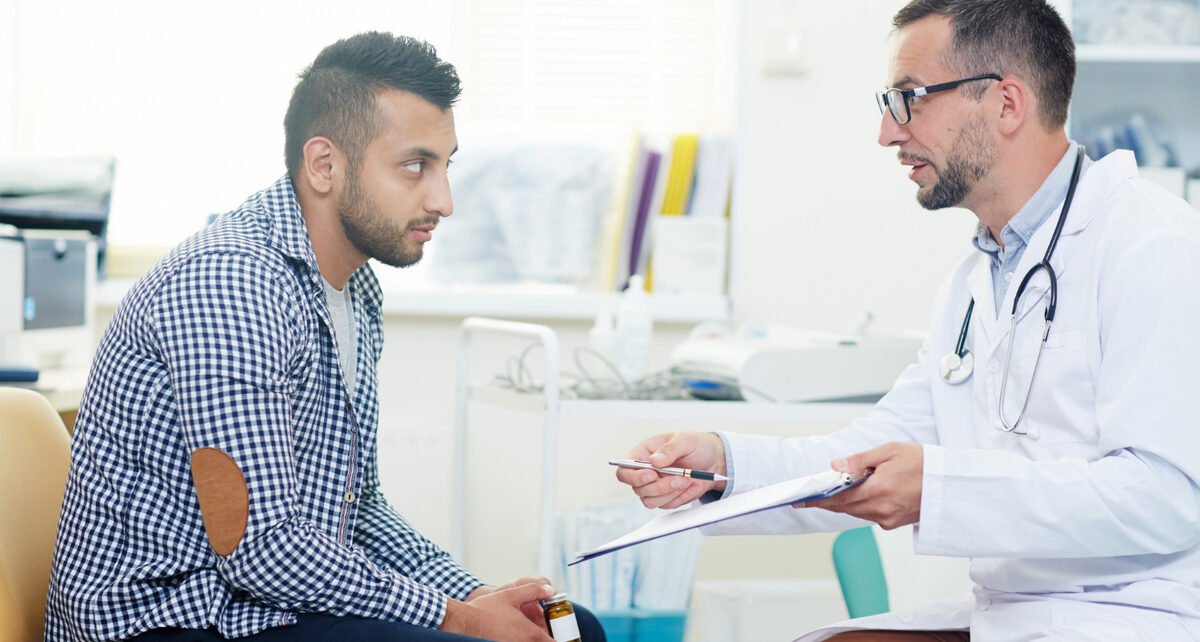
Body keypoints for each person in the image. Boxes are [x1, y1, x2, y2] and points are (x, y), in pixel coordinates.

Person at [617, 1, 1200, 640]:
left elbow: (1168, 496)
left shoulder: (1153, 245)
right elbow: (868, 456)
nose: (887, 133)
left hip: (1140, 615)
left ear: (1006, 104)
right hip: (1012, 614)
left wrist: (941, 487)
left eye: (909, 99)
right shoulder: (978, 279)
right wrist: (721, 465)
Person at [44, 32, 604, 642]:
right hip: (168, 623)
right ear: (323, 165)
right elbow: (260, 548)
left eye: (446, 166)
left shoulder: (356, 289)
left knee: (575, 631)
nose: (443, 200)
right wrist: (459, 619)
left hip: (263, 606)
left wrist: (473, 593)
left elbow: (358, 507)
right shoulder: (230, 285)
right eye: (415, 166)